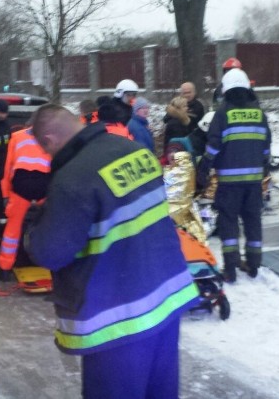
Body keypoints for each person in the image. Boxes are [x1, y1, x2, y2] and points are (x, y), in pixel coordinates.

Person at [26, 104, 199, 399]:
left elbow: (51, 252)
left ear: (50, 141)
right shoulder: (132, 149)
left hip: (119, 320)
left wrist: (34, 223)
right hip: (166, 300)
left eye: (45, 150)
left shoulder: (72, 178)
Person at [197, 69, 271, 282]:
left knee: (228, 222)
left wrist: (204, 168)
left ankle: (230, 268)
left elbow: (213, 146)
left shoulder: (223, 113)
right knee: (253, 221)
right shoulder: (259, 113)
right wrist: (264, 166)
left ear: (226, 89)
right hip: (254, 183)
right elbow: (266, 146)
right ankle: (254, 264)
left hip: (229, 183)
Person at [0, 124, 51, 280]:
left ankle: (4, 269)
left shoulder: (17, 136)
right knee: (48, 225)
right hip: (44, 183)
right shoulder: (52, 135)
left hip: (21, 184)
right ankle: (49, 263)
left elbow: (8, 168)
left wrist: (5, 193)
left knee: (12, 228)